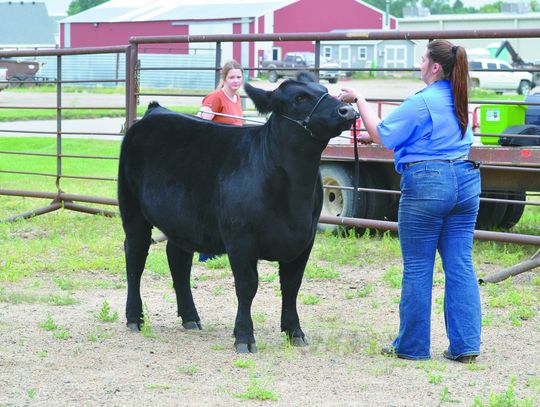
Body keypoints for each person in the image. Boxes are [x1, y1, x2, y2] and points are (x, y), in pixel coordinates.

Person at [338, 40, 482, 363]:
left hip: (428, 183)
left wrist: (358, 99)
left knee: (418, 266)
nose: (419, 64)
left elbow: (385, 136)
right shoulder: (458, 97)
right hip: (467, 179)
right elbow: (416, 135)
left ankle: (413, 347)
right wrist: (377, 134)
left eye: (423, 59)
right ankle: (466, 344)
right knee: (460, 264)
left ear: (434, 67)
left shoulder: (421, 102)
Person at [198, 59, 245, 262]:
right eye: (232, 77)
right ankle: (205, 249)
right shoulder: (216, 97)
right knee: (213, 205)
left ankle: (222, 245)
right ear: (224, 79)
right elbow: (201, 122)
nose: (236, 81)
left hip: (232, 161)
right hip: (216, 161)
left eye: (239, 77)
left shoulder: (237, 98)